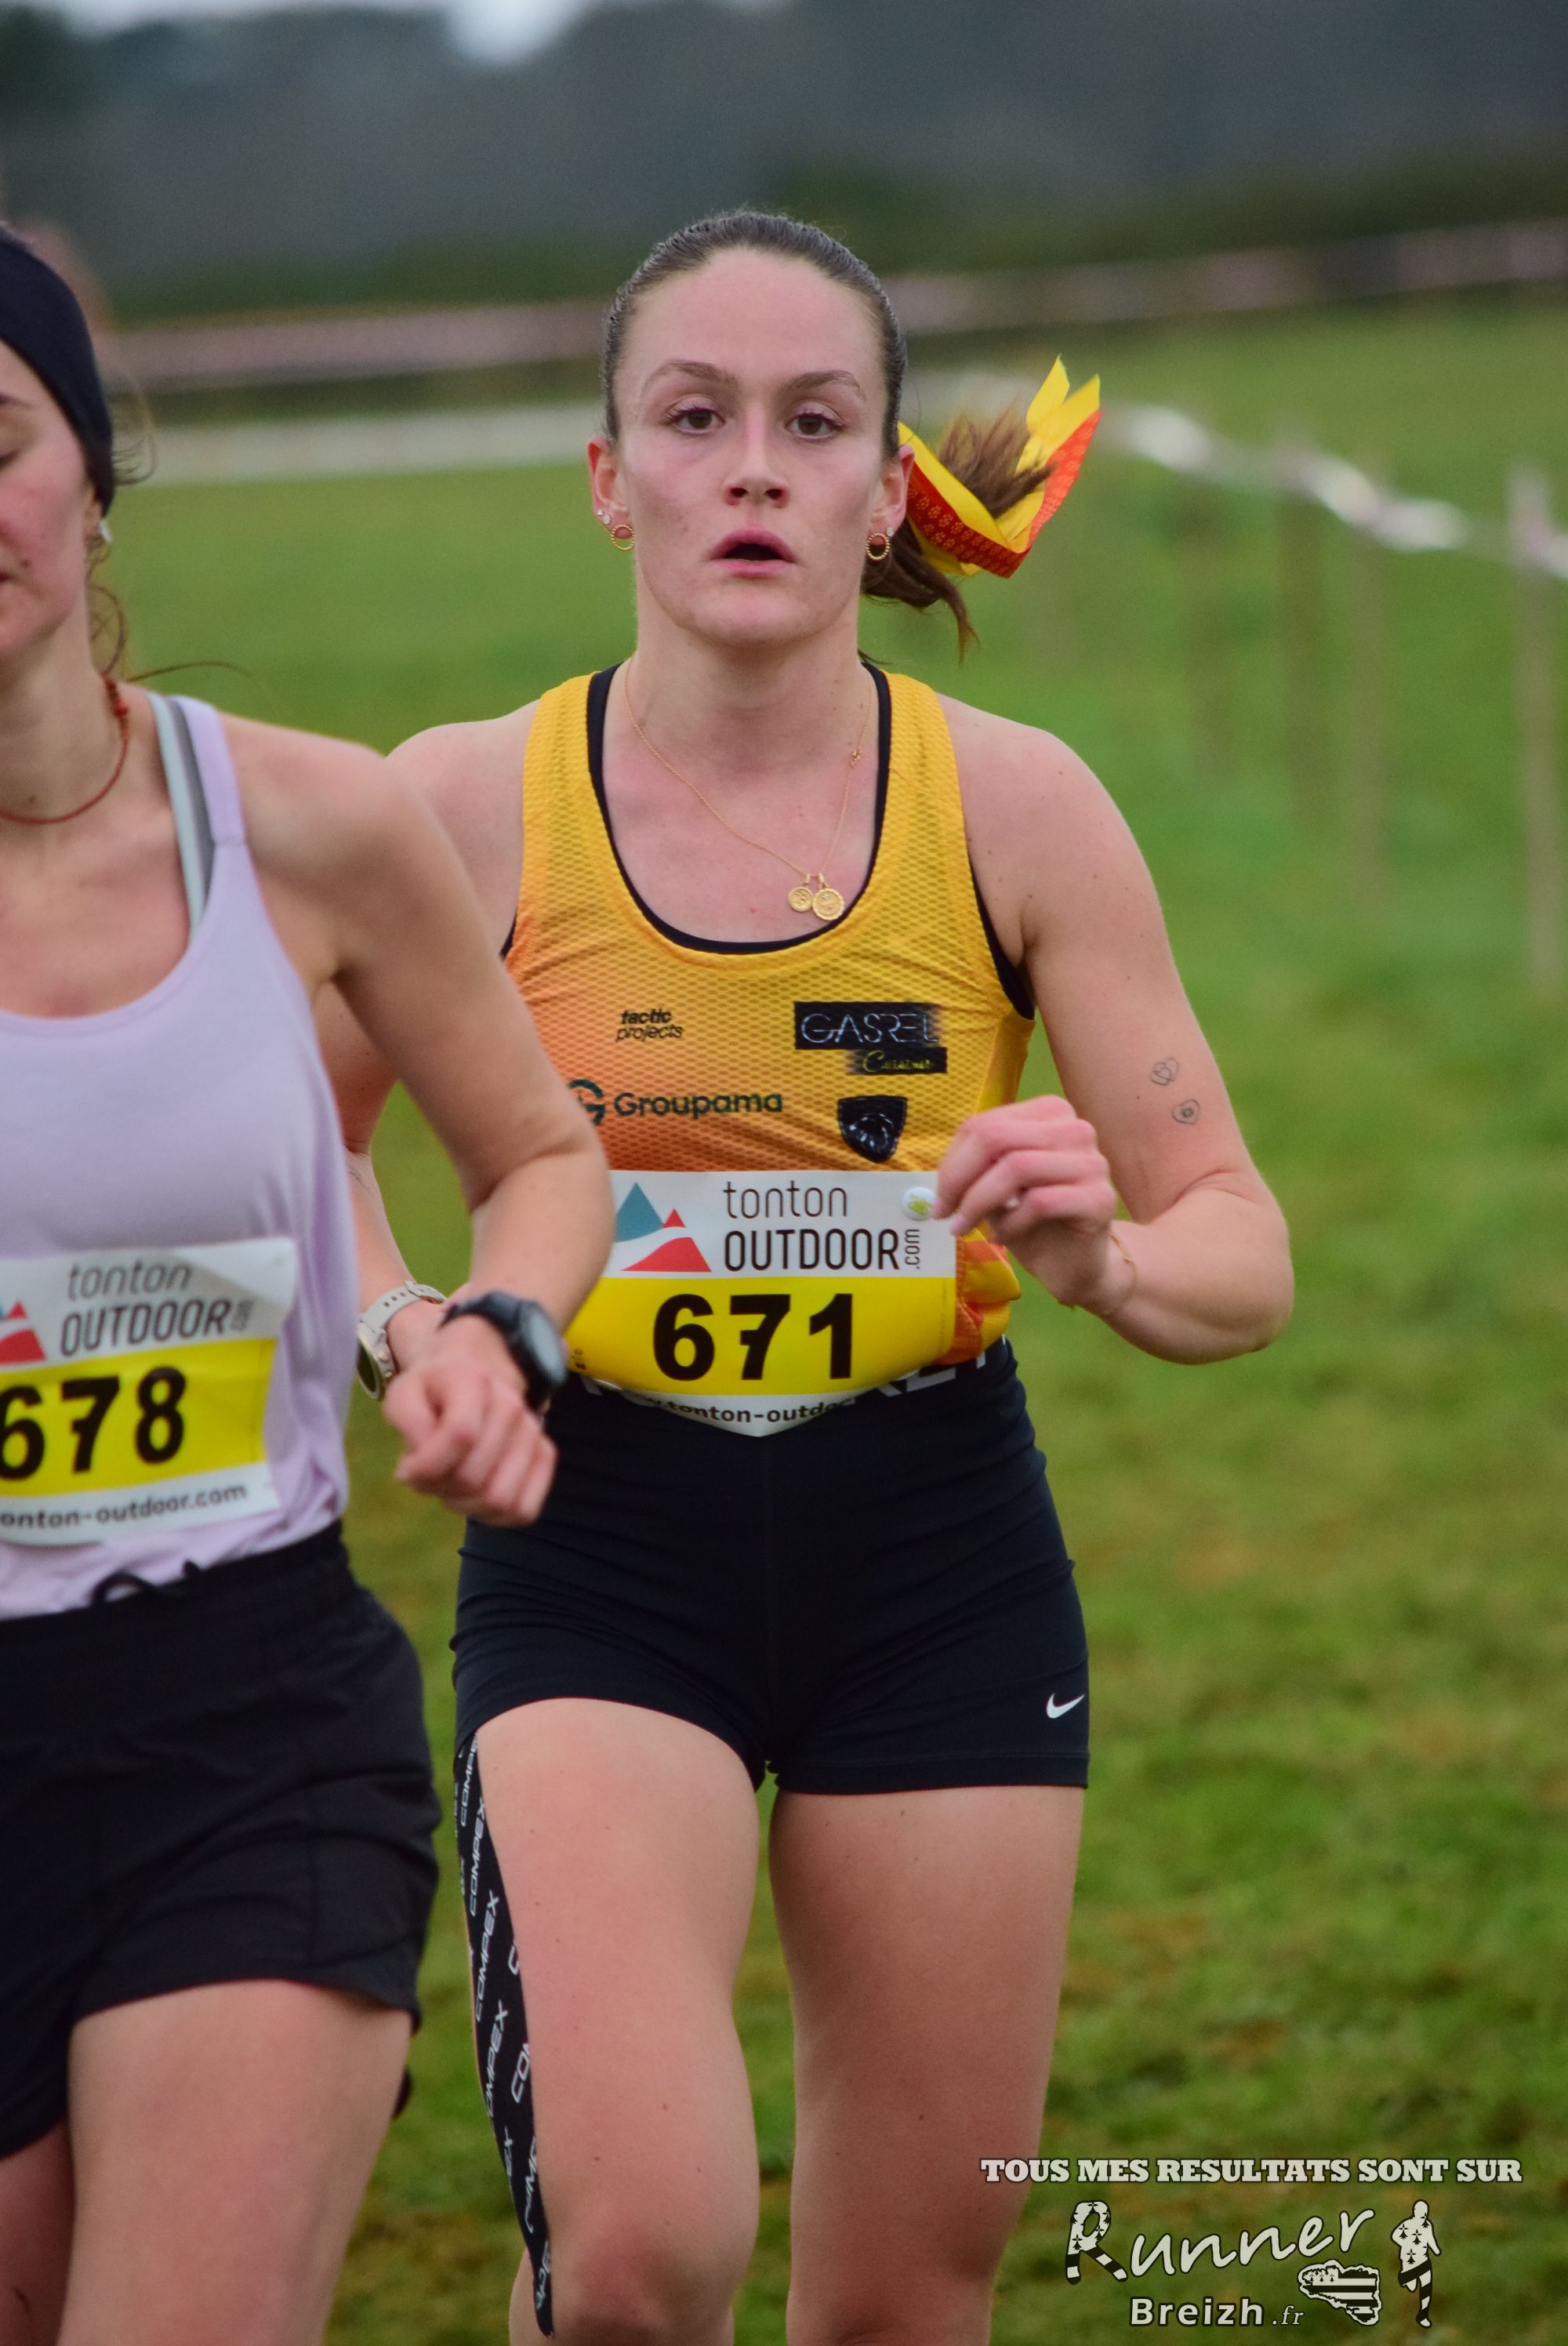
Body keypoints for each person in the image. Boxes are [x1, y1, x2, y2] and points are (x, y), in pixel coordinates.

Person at [329, 210, 1293, 2346]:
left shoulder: (1021, 807)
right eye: (695, 419)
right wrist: (417, 1327)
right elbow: (289, 1164)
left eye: (815, 421)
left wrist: (1105, 1256)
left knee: (905, 2299)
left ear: (882, 492)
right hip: (601, 1541)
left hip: (935, 1551)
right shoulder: (460, 805)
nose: (753, 466)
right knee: (640, 2260)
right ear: (610, 478)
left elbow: (1245, 1250)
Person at [0, 225, 611, 2346]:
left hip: (245, 1722)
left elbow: (540, 1156)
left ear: (92, 473)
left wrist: (493, 1336)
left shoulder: (312, 830)